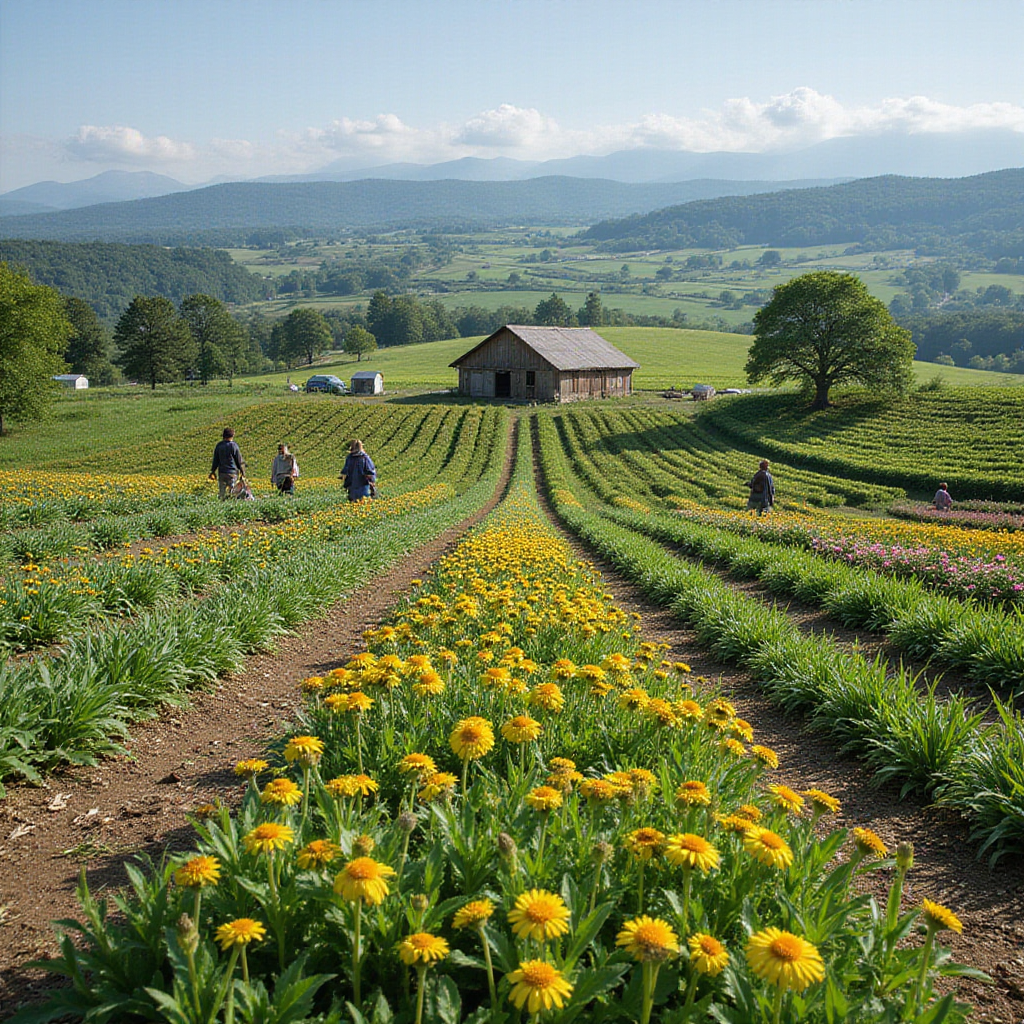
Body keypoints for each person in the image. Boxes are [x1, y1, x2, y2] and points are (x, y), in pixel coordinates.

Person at [208, 427, 245, 500]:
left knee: (222, 492)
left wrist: (213, 471)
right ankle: (231, 506)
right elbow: (239, 460)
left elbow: (216, 460)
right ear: (232, 436)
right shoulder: (233, 445)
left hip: (222, 473)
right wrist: (242, 471)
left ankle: (221, 504)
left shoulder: (219, 446)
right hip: (232, 473)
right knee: (232, 492)